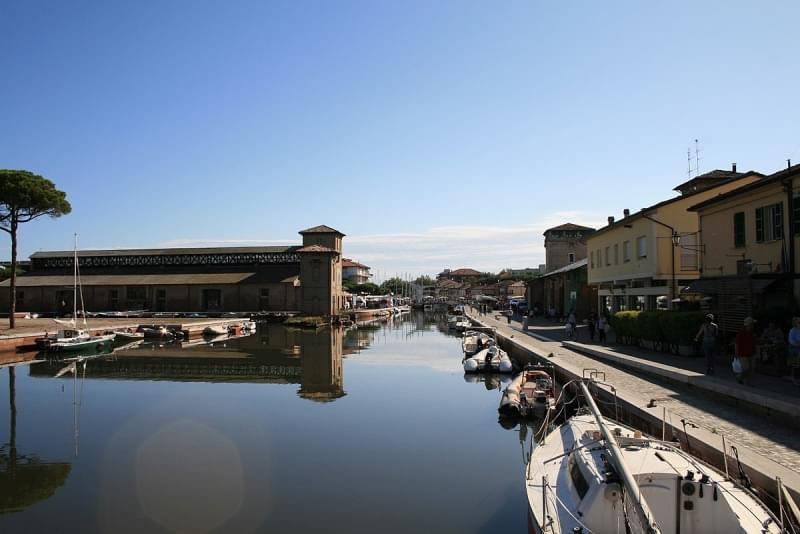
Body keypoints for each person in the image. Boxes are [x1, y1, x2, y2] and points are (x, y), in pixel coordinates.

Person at [734, 317, 756, 385]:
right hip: (743, 354)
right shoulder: (741, 333)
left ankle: (747, 382)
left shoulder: (752, 332)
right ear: (749, 324)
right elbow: (736, 343)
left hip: (751, 353)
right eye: (752, 323)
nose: (753, 325)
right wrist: (736, 353)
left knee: (752, 369)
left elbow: (754, 343)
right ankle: (739, 377)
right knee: (746, 368)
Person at [788, 317, 800, 383]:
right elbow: (791, 341)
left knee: (796, 363)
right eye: (798, 322)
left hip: (797, 347)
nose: (799, 323)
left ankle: (794, 377)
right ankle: (793, 378)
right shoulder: (792, 330)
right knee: (794, 364)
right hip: (794, 348)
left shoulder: (799, 330)